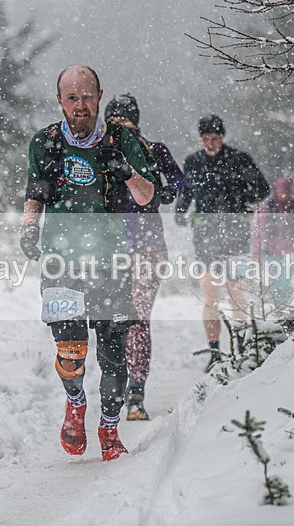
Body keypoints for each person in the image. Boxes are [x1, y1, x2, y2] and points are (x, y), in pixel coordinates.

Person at [20, 66, 156, 461]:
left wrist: (127, 173)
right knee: (72, 353)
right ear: (59, 100)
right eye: (72, 98)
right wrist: (29, 226)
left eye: (87, 97)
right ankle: (76, 404)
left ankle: (110, 430)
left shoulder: (121, 140)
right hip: (60, 262)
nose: (80, 107)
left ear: (99, 96)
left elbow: (149, 197)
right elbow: (35, 194)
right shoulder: (44, 143)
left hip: (111, 262)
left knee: (113, 356)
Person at [103, 93, 184, 421]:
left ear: (136, 120)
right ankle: (117, 381)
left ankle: (136, 390)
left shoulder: (155, 149)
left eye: (126, 118)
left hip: (148, 246)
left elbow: (179, 180)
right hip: (110, 248)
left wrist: (169, 191)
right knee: (113, 320)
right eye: (115, 119)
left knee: (136, 317)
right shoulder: (102, 152)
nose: (122, 124)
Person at [175, 114, 269, 372]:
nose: (210, 144)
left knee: (236, 292)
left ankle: (241, 346)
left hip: (236, 235)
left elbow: (264, 189)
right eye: (205, 139)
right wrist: (181, 212)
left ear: (222, 137)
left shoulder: (239, 159)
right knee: (210, 295)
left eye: (214, 138)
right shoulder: (193, 162)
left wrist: (246, 204)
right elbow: (186, 194)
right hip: (205, 238)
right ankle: (214, 351)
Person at [250, 176, 294, 309]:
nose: (282, 194)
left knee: (285, 283)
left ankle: (282, 309)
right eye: (279, 191)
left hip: (290, 252)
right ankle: (278, 309)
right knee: (275, 284)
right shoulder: (266, 208)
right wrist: (256, 252)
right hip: (270, 253)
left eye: (285, 191)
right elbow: (257, 232)